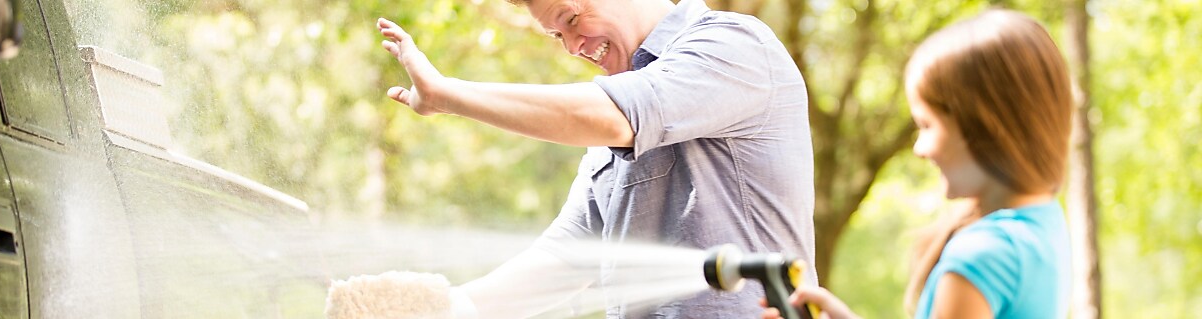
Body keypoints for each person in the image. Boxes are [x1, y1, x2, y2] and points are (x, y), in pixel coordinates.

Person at [377, 0, 816, 317]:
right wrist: (444, 306)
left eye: (572, 18)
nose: (572, 47)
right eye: (557, 34)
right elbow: (570, 256)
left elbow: (616, 114)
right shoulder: (613, 118)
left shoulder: (733, 44)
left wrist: (447, 95)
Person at [760, 9, 1073, 319]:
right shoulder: (1043, 222)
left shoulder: (981, 259)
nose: (920, 150)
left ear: (983, 127)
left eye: (927, 126)